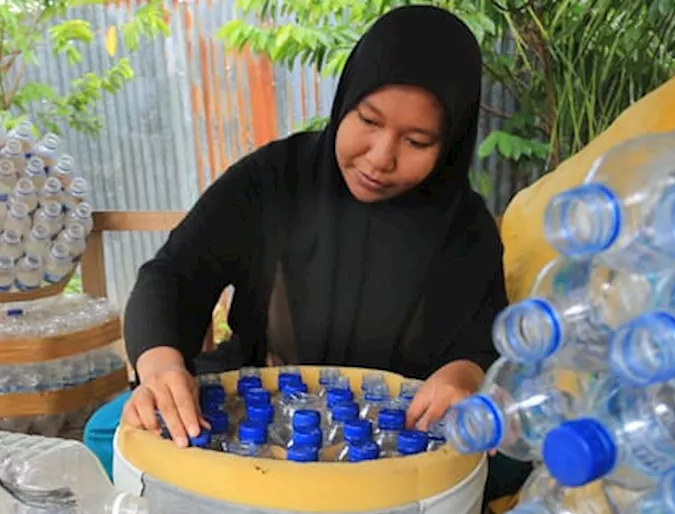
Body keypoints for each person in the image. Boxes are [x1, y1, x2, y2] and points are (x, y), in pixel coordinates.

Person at [122, 6, 506, 451]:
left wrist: (462, 376)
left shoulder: (466, 228)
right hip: (257, 417)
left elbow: (484, 345)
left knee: (509, 458)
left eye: (416, 141)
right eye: (368, 120)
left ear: (451, 145)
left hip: (397, 439)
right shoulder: (272, 180)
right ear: (346, 100)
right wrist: (160, 367)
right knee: (113, 428)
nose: (381, 156)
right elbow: (173, 275)